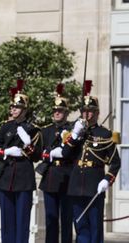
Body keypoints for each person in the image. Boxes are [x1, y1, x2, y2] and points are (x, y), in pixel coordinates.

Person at [62, 80, 121, 243]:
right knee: (79, 225)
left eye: (90, 111)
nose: (87, 114)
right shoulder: (75, 131)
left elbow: (115, 162)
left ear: (97, 113)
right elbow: (65, 154)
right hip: (75, 186)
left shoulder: (105, 134)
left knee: (95, 227)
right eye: (84, 111)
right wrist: (74, 136)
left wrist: (107, 180)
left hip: (94, 185)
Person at [0, 82, 42, 243]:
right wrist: (5, 152)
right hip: (5, 178)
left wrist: (28, 144)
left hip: (24, 178)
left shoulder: (33, 129)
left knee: (22, 221)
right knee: (7, 221)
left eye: (17, 107)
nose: (13, 109)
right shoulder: (6, 127)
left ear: (25, 110)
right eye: (12, 106)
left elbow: (37, 156)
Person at [37, 83, 73, 243]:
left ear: (66, 113)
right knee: (51, 220)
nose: (57, 113)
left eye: (60, 111)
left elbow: (74, 151)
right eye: (55, 111)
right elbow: (38, 151)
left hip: (67, 177)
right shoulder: (46, 130)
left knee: (66, 220)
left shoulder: (72, 129)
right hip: (50, 177)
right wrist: (46, 154)